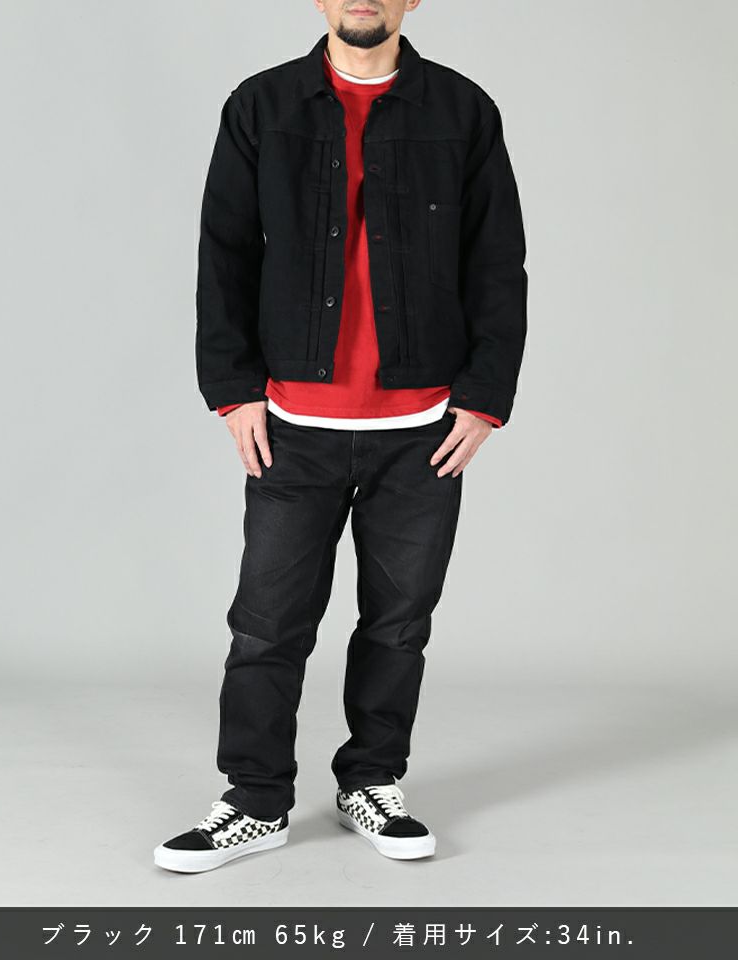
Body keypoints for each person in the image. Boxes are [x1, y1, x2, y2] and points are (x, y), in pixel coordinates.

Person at [154, 0, 527, 873]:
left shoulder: (463, 110)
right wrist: (233, 391)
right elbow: (224, 253)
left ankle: (372, 781)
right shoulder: (261, 105)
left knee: (398, 624)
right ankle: (255, 800)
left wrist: (483, 398)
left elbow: (497, 260)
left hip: (422, 432)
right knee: (265, 627)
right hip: (293, 427)